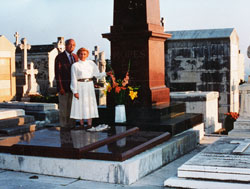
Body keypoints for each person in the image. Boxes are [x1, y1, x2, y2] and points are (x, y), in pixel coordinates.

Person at [70, 48, 106, 129]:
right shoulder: (75, 65)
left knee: (89, 104)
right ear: (78, 55)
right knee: (80, 105)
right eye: (81, 54)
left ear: (87, 55)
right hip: (80, 85)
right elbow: (73, 78)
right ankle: (81, 124)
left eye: (84, 54)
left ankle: (89, 124)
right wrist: (75, 91)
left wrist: (105, 73)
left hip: (89, 85)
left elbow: (97, 74)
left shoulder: (91, 63)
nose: (83, 55)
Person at [55, 39, 78, 129]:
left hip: (74, 88)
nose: (72, 47)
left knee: (72, 108)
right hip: (64, 87)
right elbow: (58, 74)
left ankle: (72, 125)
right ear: (66, 45)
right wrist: (60, 87)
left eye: (74, 45)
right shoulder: (60, 57)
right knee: (64, 108)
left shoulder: (75, 57)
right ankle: (64, 126)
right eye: (70, 45)